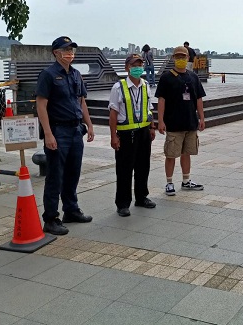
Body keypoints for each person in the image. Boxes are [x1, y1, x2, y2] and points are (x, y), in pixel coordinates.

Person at [36, 36, 95, 235]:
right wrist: (48, 134)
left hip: (75, 130)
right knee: (55, 176)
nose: (70, 53)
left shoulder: (76, 74)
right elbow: (41, 105)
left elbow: (81, 101)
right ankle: (51, 218)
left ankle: (71, 209)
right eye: (65, 49)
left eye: (72, 50)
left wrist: (89, 124)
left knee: (73, 173)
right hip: (58, 130)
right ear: (56, 52)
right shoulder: (48, 75)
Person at [109, 54, 157, 217]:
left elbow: (149, 108)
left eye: (140, 64)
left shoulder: (145, 85)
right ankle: (122, 203)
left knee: (143, 166)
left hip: (143, 132)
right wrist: (113, 136)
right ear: (127, 67)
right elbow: (113, 113)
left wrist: (152, 127)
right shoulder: (118, 87)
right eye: (134, 64)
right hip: (125, 133)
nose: (138, 67)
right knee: (124, 169)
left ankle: (142, 197)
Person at [155, 45, 206, 195]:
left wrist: (201, 118)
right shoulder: (166, 77)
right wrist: (161, 120)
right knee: (171, 154)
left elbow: (199, 99)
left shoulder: (193, 77)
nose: (180, 59)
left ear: (188, 58)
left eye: (183, 57)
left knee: (187, 153)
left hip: (190, 122)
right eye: (177, 57)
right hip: (173, 123)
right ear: (173, 58)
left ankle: (186, 181)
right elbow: (161, 100)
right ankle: (169, 182)